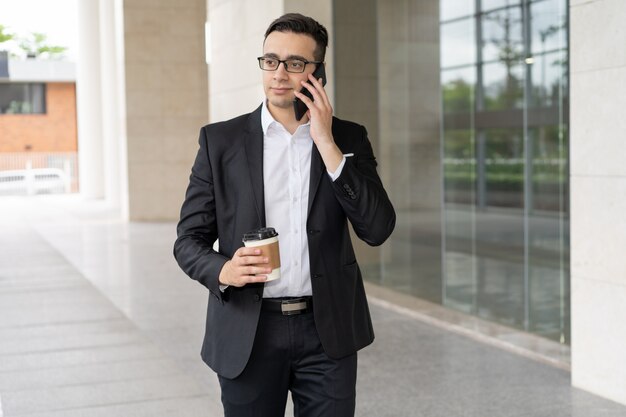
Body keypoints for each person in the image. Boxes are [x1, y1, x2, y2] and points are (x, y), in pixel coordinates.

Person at [174, 13, 395, 417]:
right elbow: (188, 241)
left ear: (318, 73)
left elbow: (377, 228)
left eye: (295, 63)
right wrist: (224, 271)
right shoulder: (219, 142)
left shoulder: (348, 138)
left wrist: (326, 144)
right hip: (248, 329)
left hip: (327, 331)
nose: (279, 74)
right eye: (270, 60)